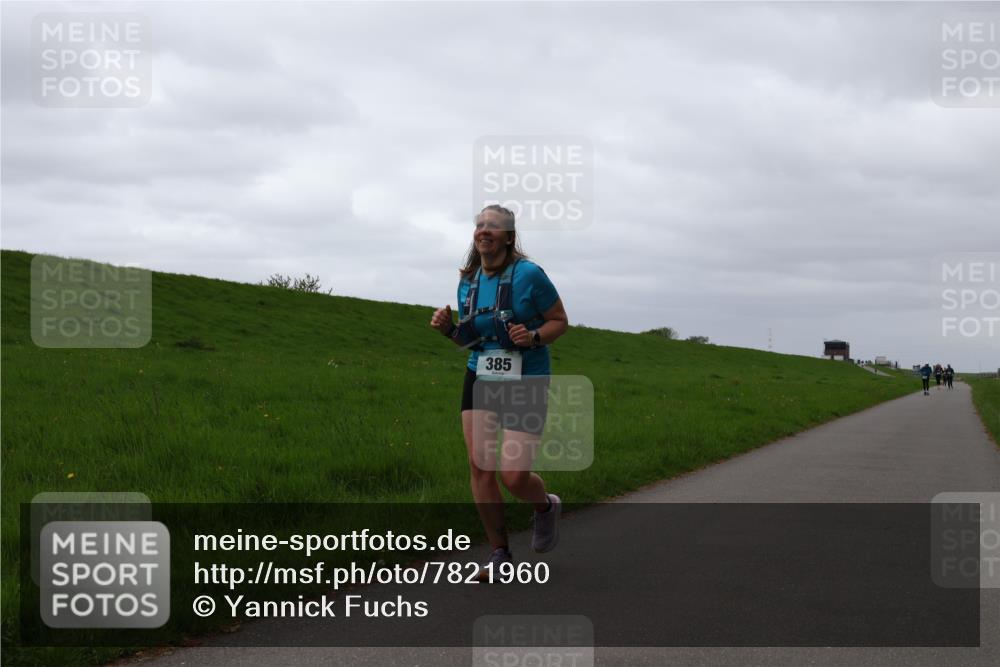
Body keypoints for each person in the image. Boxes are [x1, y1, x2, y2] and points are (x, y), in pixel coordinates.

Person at [430, 205, 569, 581]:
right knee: (480, 466)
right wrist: (448, 330)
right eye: (479, 225)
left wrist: (535, 335)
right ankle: (499, 554)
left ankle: (544, 507)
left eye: (493, 226)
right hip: (481, 376)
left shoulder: (530, 275)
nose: (483, 230)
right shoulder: (468, 281)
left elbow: (560, 320)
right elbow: (472, 340)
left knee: (513, 476)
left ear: (509, 236)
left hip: (527, 378)